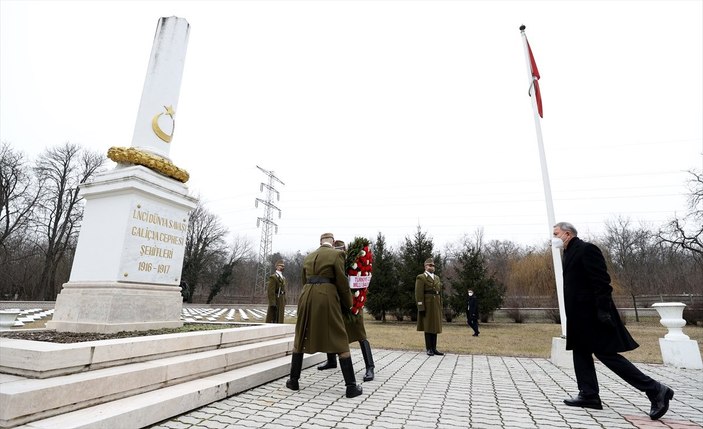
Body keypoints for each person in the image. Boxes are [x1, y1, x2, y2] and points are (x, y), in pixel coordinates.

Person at [553, 222, 674, 420]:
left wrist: (603, 311)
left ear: (567, 234)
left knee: (606, 354)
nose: (554, 238)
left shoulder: (586, 249)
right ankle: (589, 394)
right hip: (579, 316)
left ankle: (655, 390)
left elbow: (602, 283)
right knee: (581, 352)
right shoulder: (569, 253)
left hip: (593, 316)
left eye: (556, 234)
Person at [286, 233, 363, 398]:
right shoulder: (337, 254)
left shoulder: (309, 256)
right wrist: (349, 303)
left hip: (306, 295)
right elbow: (342, 282)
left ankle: (293, 381)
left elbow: (303, 279)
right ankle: (351, 387)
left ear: (320, 242)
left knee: (301, 334)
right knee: (339, 334)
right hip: (327, 296)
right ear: (333, 242)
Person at [317, 240, 375, 381]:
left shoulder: (351, 262)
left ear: (346, 249)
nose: (339, 251)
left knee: (360, 334)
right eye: (336, 249)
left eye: (341, 249)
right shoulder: (333, 262)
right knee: (331, 332)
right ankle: (331, 361)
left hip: (354, 304)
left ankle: (370, 367)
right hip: (337, 304)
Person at [416, 258, 443, 356]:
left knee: (435, 326)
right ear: (425, 266)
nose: (432, 267)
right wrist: (421, 306)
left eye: (433, 265)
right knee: (428, 326)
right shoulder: (421, 277)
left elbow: (440, 293)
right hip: (427, 305)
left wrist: (440, 305)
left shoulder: (437, 278)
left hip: (435, 305)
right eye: (430, 265)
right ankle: (429, 348)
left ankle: (434, 348)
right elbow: (419, 293)